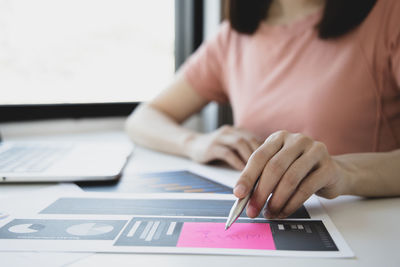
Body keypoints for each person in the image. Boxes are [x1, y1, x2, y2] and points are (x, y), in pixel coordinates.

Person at [126, 0, 400, 219]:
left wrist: (341, 171)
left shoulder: (390, 13)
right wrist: (195, 143)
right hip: (268, 225)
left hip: (363, 230)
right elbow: (143, 118)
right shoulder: (232, 39)